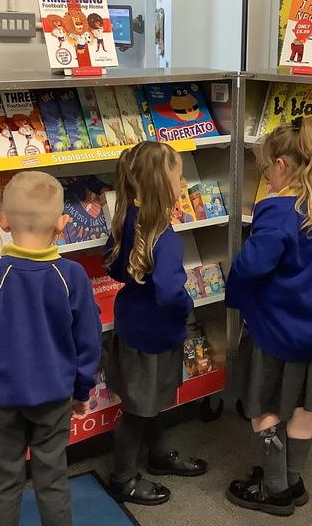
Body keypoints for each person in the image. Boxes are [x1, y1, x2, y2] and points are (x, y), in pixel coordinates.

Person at [0, 171, 102, 526]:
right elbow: (88, 340)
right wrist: (83, 389)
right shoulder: (73, 276)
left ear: (1, 221)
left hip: (1, 401)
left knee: (3, 480)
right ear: (62, 224)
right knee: (53, 478)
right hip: (55, 398)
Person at [226, 116, 312, 517]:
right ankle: (292, 479)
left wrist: (239, 291)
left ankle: (275, 490)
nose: (267, 176)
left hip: (274, 329)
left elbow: (251, 265)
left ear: (282, 165)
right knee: (304, 407)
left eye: (267, 168)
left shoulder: (277, 210)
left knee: (263, 405)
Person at [104, 142, 208, 505]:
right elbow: (169, 293)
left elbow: (114, 269)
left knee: (146, 401)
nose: (183, 183)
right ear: (163, 184)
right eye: (179, 176)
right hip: (154, 334)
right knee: (137, 411)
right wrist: (186, 305)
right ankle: (122, 477)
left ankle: (159, 454)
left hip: (132, 326)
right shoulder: (165, 238)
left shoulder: (127, 219)